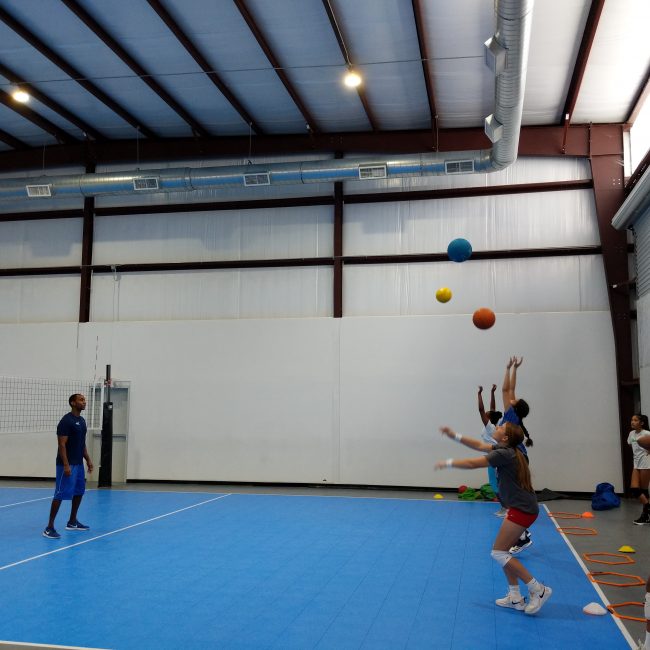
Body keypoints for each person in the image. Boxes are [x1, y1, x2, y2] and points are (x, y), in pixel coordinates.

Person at [435, 422, 552, 615]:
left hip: (522, 509)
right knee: (504, 552)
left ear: (505, 437)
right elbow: (479, 446)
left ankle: (538, 589)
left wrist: (447, 463)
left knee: (498, 553)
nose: (496, 428)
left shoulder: (503, 454)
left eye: (500, 428)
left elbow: (473, 463)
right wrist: (453, 435)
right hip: (521, 507)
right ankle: (515, 597)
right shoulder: (506, 449)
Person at [43, 394, 94, 539]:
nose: (84, 402)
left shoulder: (82, 421)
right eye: (81, 400)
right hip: (66, 464)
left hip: (78, 463)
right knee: (60, 494)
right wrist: (66, 465)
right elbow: (62, 445)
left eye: (84, 400)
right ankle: (49, 527)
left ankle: (72, 521)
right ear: (73, 403)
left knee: (79, 492)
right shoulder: (66, 421)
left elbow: (81, 443)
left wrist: (88, 460)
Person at [500, 356, 534, 554]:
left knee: (513, 496)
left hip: (515, 458)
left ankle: (523, 535)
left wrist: (508, 368)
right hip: (517, 457)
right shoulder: (515, 413)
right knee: (512, 495)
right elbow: (511, 390)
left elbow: (506, 390)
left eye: (515, 399)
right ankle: (521, 534)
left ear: (515, 405)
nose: (513, 397)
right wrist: (514, 368)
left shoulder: (511, 413)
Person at [477, 384, 501, 507]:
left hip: (492, 456)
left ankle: (504, 504)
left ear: (488, 417)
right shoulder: (492, 425)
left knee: (493, 482)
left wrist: (479, 394)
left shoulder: (489, 426)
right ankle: (504, 501)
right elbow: (492, 408)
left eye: (487, 413)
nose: (486, 412)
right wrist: (492, 392)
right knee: (497, 480)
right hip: (495, 454)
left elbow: (481, 409)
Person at [628, 413, 650, 525]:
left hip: (646, 463)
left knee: (644, 490)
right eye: (632, 420)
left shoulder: (647, 433)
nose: (632, 422)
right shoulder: (631, 433)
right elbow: (632, 446)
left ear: (642, 423)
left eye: (635, 420)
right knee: (634, 489)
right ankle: (648, 507)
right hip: (636, 463)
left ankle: (645, 516)